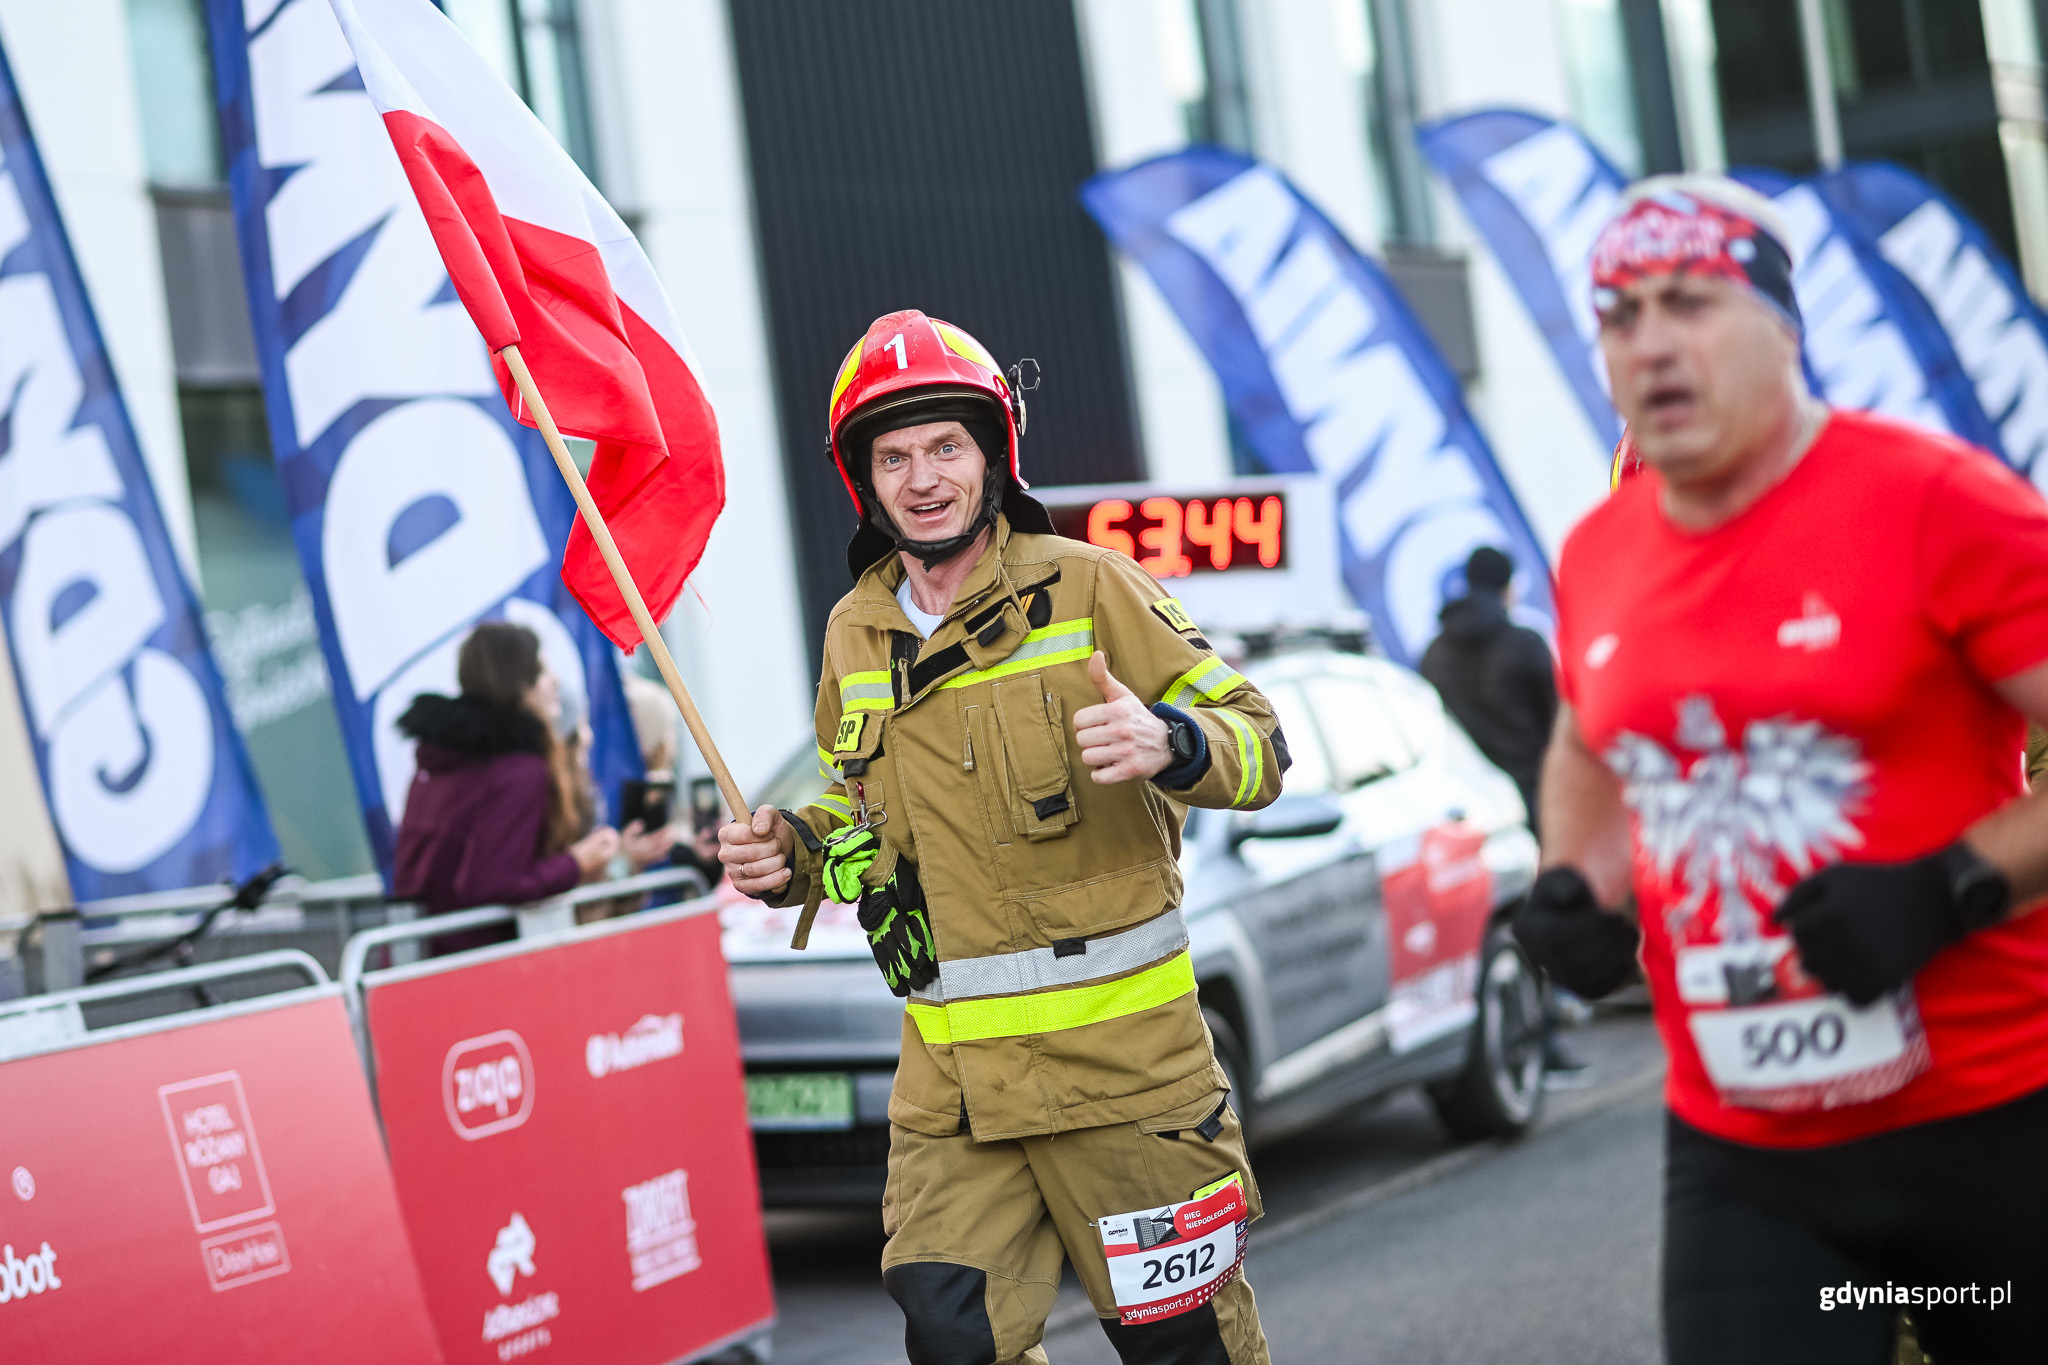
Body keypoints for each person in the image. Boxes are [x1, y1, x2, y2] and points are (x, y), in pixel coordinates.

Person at [1517, 174, 2048, 1363]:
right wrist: (1571, 885)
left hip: (1994, 1117)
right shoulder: (1599, 550)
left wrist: (1947, 885)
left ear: (1781, 328)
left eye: (1689, 303)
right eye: (1619, 316)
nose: (1650, 342)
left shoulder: (1934, 500)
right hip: (1747, 1149)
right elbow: (1585, 736)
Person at [717, 310, 1287, 1365]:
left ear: (991, 457)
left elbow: (1260, 744)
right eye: (892, 456)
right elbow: (868, 811)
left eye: (944, 446)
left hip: (1126, 1083)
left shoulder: (1091, 586)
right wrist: (791, 850)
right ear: (863, 479)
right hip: (954, 1093)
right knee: (949, 1337)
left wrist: (1171, 740)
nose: (921, 477)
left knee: (1184, 1354)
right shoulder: (855, 629)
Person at [393, 623, 665, 942]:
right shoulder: (520, 771)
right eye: (542, 670)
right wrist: (577, 860)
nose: (555, 681)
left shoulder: (438, 762)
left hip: (421, 957)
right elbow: (496, 883)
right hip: (483, 962)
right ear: (521, 685)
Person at [1418, 544, 1558, 830]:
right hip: (1532, 798)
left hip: (1465, 809)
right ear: (1508, 589)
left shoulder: (1433, 654)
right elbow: (1560, 725)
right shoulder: (1526, 645)